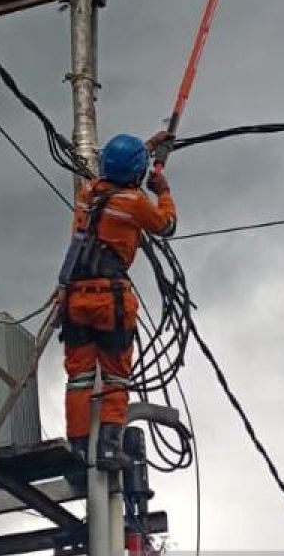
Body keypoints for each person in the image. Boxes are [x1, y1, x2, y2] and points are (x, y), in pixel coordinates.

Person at [60, 132, 176, 467]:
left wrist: (147, 148)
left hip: (76, 298)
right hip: (110, 300)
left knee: (79, 378)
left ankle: (79, 448)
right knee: (115, 377)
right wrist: (163, 190)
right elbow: (166, 226)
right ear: (135, 173)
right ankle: (109, 447)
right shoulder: (135, 202)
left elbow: (117, 173)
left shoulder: (88, 194)